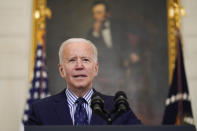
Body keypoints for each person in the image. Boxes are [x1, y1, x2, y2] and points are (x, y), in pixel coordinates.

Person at [27, 38, 141, 125]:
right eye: (72, 60)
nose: (79, 66)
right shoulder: (40, 110)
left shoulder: (118, 108)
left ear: (95, 69)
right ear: (62, 70)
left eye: (85, 60)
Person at [87, 0, 140, 94]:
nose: (96, 16)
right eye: (94, 13)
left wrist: (131, 54)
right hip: (102, 67)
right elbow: (89, 52)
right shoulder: (91, 33)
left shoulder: (118, 26)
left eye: (99, 13)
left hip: (119, 64)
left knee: (133, 69)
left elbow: (125, 44)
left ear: (107, 14)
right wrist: (96, 33)